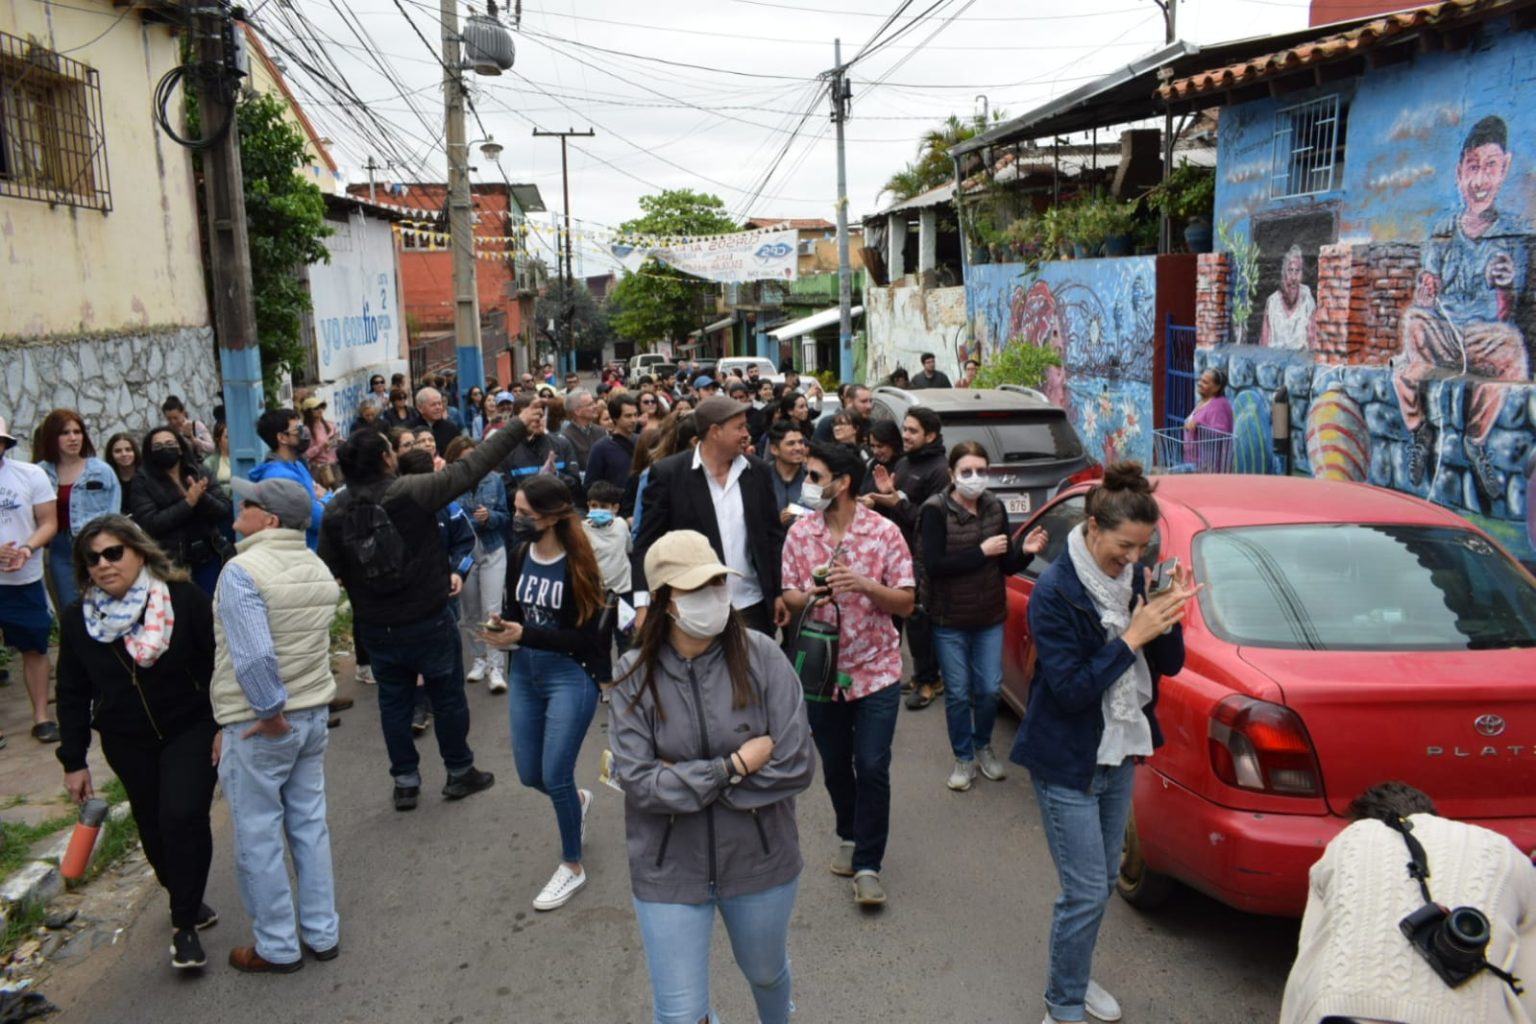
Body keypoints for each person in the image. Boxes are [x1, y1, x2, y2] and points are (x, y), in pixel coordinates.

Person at [1010, 462, 1196, 1024]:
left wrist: (1168, 615)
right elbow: (1069, 691)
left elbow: (1169, 665)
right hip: (1066, 758)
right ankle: (1062, 1004)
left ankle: (1075, 975)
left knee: (1100, 887)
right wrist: (1131, 636)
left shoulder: (1133, 579)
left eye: (1143, 548)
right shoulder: (1055, 592)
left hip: (1118, 752)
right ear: (1094, 527)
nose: (1133, 559)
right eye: (1124, 547)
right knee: (1086, 890)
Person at [609, 529, 815, 1024]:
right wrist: (733, 767)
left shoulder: (763, 655)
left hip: (760, 860)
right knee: (680, 1015)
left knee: (766, 974)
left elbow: (795, 765)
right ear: (665, 601)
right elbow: (638, 783)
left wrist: (682, 782)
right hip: (668, 868)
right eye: (697, 588)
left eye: (718, 583)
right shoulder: (634, 674)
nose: (715, 596)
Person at [319, 419, 527, 811]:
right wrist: (518, 425)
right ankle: (459, 771)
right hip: (429, 619)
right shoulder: (411, 492)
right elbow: (472, 467)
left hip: (376, 627)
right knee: (447, 698)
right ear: (386, 458)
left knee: (393, 704)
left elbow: (328, 568)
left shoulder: (335, 510)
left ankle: (405, 782)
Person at [55, 515, 219, 969]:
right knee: (153, 827)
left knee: (182, 815)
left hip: (190, 726)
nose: (104, 565)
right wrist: (74, 760)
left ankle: (183, 925)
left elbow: (217, 661)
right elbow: (71, 692)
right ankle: (185, 897)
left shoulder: (182, 598)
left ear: (139, 552)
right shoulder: (78, 620)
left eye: (113, 553)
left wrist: (224, 723)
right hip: (126, 739)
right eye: (93, 559)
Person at [212, 479, 341, 974]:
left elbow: (253, 654)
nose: (239, 507)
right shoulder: (315, 565)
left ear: (268, 520)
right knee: (309, 825)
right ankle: (322, 932)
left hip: (263, 720)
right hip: (311, 712)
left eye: (249, 503)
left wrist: (268, 712)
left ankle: (277, 945)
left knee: (258, 834)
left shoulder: (242, 571)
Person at [781, 441, 915, 907]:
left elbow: (906, 602)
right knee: (836, 764)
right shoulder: (800, 534)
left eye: (815, 476)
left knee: (872, 765)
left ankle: (868, 865)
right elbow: (789, 595)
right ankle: (849, 832)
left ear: (842, 483)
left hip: (877, 670)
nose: (807, 484)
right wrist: (812, 594)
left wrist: (863, 584)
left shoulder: (884, 533)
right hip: (821, 675)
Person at [1281, 780, 1536, 1024]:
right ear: (1432, 815)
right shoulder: (1504, 852)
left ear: (1364, 820)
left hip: (1346, 1009)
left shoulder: (1351, 840)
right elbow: (1528, 972)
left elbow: (1311, 954)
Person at [479, 476, 609, 911]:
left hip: (569, 677)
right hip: (525, 676)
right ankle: (577, 802)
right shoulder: (520, 554)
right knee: (530, 774)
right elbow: (516, 612)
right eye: (515, 510)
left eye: (525, 514)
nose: (516, 519)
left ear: (552, 517)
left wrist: (526, 634)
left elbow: (586, 639)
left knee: (555, 775)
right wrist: (501, 628)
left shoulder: (579, 565)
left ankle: (572, 865)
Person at [1395, 115, 1529, 499]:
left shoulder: (1513, 233)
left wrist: (1504, 284)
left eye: (1490, 166)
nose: (1480, 179)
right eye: (1473, 167)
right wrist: (1427, 289)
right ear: (1459, 173)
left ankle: (1475, 439)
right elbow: (1426, 293)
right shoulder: (1442, 230)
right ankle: (1419, 431)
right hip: (1445, 333)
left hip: (1482, 336)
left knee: (1513, 348)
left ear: (1504, 169)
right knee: (1413, 323)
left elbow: (1507, 313)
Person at [916, 441, 1047, 791]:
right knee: (959, 693)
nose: (975, 478)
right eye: (967, 471)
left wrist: (1026, 552)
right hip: (949, 619)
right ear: (951, 474)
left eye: (981, 471)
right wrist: (981, 551)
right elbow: (934, 566)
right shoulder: (934, 510)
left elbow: (1005, 563)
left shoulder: (994, 507)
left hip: (989, 615)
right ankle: (963, 757)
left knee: (989, 689)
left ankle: (983, 745)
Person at [635, 396, 788, 637]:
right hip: (693, 607)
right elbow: (647, 543)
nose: (746, 434)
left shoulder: (757, 471)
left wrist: (778, 592)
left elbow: (773, 537)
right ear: (715, 431)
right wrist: (643, 603)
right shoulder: (669, 475)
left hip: (753, 605)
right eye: (739, 427)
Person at [866, 407, 950, 709]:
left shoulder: (940, 470)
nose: (906, 435)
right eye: (905, 429)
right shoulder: (904, 462)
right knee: (902, 618)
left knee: (919, 619)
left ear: (931, 435)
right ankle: (919, 675)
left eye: (913, 430)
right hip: (896, 554)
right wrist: (884, 496)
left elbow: (931, 522)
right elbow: (899, 505)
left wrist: (896, 502)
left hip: (921, 556)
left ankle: (929, 680)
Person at [0, 418, 60, 746]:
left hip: (24, 579)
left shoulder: (30, 475)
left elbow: (48, 521)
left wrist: (26, 548)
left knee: (35, 647)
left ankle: (41, 717)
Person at [35, 409, 120, 613]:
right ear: (52, 437)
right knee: (71, 609)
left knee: (105, 606)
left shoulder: (102, 470)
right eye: (65, 433)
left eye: (77, 432)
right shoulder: (39, 472)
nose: (73, 438)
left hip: (96, 546)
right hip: (60, 549)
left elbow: (113, 514)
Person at [445, 436, 511, 695]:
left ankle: (496, 666)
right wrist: (474, 521)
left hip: (493, 549)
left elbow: (505, 515)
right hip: (464, 555)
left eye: (474, 457)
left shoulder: (493, 479)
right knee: (470, 611)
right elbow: (452, 524)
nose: (470, 463)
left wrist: (490, 517)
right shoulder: (450, 484)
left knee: (493, 609)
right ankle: (479, 658)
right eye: (464, 459)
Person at [130, 427, 231, 595]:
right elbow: (150, 524)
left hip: (208, 554)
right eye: (158, 446)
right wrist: (188, 503)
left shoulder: (200, 471)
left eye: (170, 443)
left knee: (214, 603)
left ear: (180, 447)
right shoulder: (142, 481)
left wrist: (201, 497)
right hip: (170, 562)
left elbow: (223, 510)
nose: (165, 449)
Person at [249, 409, 326, 553]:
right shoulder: (280, 476)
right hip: (300, 553)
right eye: (297, 429)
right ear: (282, 438)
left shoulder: (297, 464)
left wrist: (320, 501)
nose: (304, 433)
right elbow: (319, 518)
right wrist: (326, 498)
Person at [582, 479, 631, 651]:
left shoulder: (621, 525)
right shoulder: (582, 530)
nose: (598, 510)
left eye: (604, 506)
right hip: (597, 595)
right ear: (588, 506)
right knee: (599, 642)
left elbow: (628, 548)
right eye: (594, 506)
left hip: (623, 593)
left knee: (627, 641)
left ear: (615, 508)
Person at [1259, 244, 1317, 351]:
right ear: (1283, 274)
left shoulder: (1307, 300)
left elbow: (1313, 341)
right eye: (1290, 270)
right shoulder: (1272, 303)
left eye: (1297, 271)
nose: (1294, 278)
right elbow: (1264, 342)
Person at [586, 394, 641, 492]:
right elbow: (591, 485)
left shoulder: (642, 442)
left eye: (636, 415)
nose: (633, 420)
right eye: (628, 416)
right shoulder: (601, 448)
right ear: (615, 418)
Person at [1182, 368, 1235, 469]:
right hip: (1196, 462)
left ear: (1216, 387)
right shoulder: (1204, 401)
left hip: (1210, 467)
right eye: (1200, 380)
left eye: (1205, 382)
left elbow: (1221, 433)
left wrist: (1198, 425)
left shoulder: (1218, 406)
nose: (1199, 384)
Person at [767, 420, 808, 520]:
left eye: (801, 442)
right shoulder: (762, 477)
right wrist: (776, 523)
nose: (798, 448)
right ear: (774, 449)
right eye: (791, 443)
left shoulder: (812, 477)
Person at [560, 390, 606, 473]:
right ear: (577, 411)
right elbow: (572, 471)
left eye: (594, 403)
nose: (595, 406)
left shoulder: (602, 431)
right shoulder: (565, 438)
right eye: (590, 404)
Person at [301, 397, 341, 490]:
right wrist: (321, 446)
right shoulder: (305, 430)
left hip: (334, 464)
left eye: (321, 407)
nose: (320, 410)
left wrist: (338, 441)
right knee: (323, 495)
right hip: (319, 468)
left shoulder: (330, 424)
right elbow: (305, 454)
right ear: (308, 411)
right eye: (316, 408)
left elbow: (335, 441)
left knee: (340, 492)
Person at [416, 386, 463, 456]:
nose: (438, 407)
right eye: (433, 405)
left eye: (440, 404)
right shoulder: (411, 429)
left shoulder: (451, 429)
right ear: (420, 408)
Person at [105, 431, 140, 512]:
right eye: (118, 451)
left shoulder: (147, 475)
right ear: (111, 455)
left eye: (128, 450)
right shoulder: (107, 479)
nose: (124, 454)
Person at [204, 422, 235, 489]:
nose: (232, 440)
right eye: (227, 437)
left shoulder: (242, 460)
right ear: (218, 440)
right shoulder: (209, 463)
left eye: (233, 436)